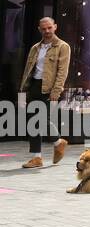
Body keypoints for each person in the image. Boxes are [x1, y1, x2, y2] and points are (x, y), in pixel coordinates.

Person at [18, 17, 70, 168]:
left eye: (49, 28)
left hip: (49, 88)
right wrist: (22, 90)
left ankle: (58, 142)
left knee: (40, 119)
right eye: (44, 29)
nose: (47, 31)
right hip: (34, 86)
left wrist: (56, 90)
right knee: (31, 120)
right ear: (39, 29)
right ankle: (37, 157)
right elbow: (28, 71)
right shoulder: (35, 48)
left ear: (55, 27)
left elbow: (62, 71)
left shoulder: (62, 46)